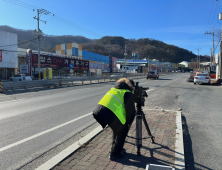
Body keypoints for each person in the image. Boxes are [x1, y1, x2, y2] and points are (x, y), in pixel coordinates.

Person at [93, 78, 136, 160]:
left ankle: (115, 148)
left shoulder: (115, 90)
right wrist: (128, 124)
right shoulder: (127, 93)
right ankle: (115, 154)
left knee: (117, 129)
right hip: (108, 113)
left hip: (99, 111)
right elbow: (130, 113)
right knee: (122, 130)